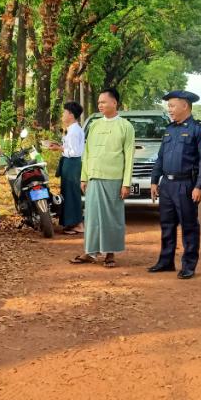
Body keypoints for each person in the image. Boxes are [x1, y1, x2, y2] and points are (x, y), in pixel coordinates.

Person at [148, 90, 201, 279]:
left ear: (185, 106)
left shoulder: (199, 130)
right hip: (167, 185)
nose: (169, 109)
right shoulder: (169, 129)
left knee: (189, 226)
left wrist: (199, 186)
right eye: (168, 106)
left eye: (172, 106)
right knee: (167, 225)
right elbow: (160, 157)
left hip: (186, 185)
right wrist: (154, 180)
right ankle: (166, 261)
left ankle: (188, 265)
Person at [70, 90, 135, 268]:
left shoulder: (126, 126)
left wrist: (126, 183)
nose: (100, 105)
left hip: (114, 179)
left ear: (114, 103)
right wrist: (84, 177)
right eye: (99, 102)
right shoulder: (95, 125)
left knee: (111, 218)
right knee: (91, 217)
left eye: (104, 102)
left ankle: (110, 253)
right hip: (94, 177)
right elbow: (87, 153)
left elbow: (129, 156)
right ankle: (90, 252)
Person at [48, 101, 85, 235]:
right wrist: (59, 146)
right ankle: (72, 223)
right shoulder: (72, 129)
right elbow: (69, 147)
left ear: (71, 115)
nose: (62, 115)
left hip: (72, 163)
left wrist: (59, 148)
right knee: (68, 192)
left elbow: (74, 152)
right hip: (69, 163)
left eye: (64, 113)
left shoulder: (74, 131)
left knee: (72, 193)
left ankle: (78, 224)